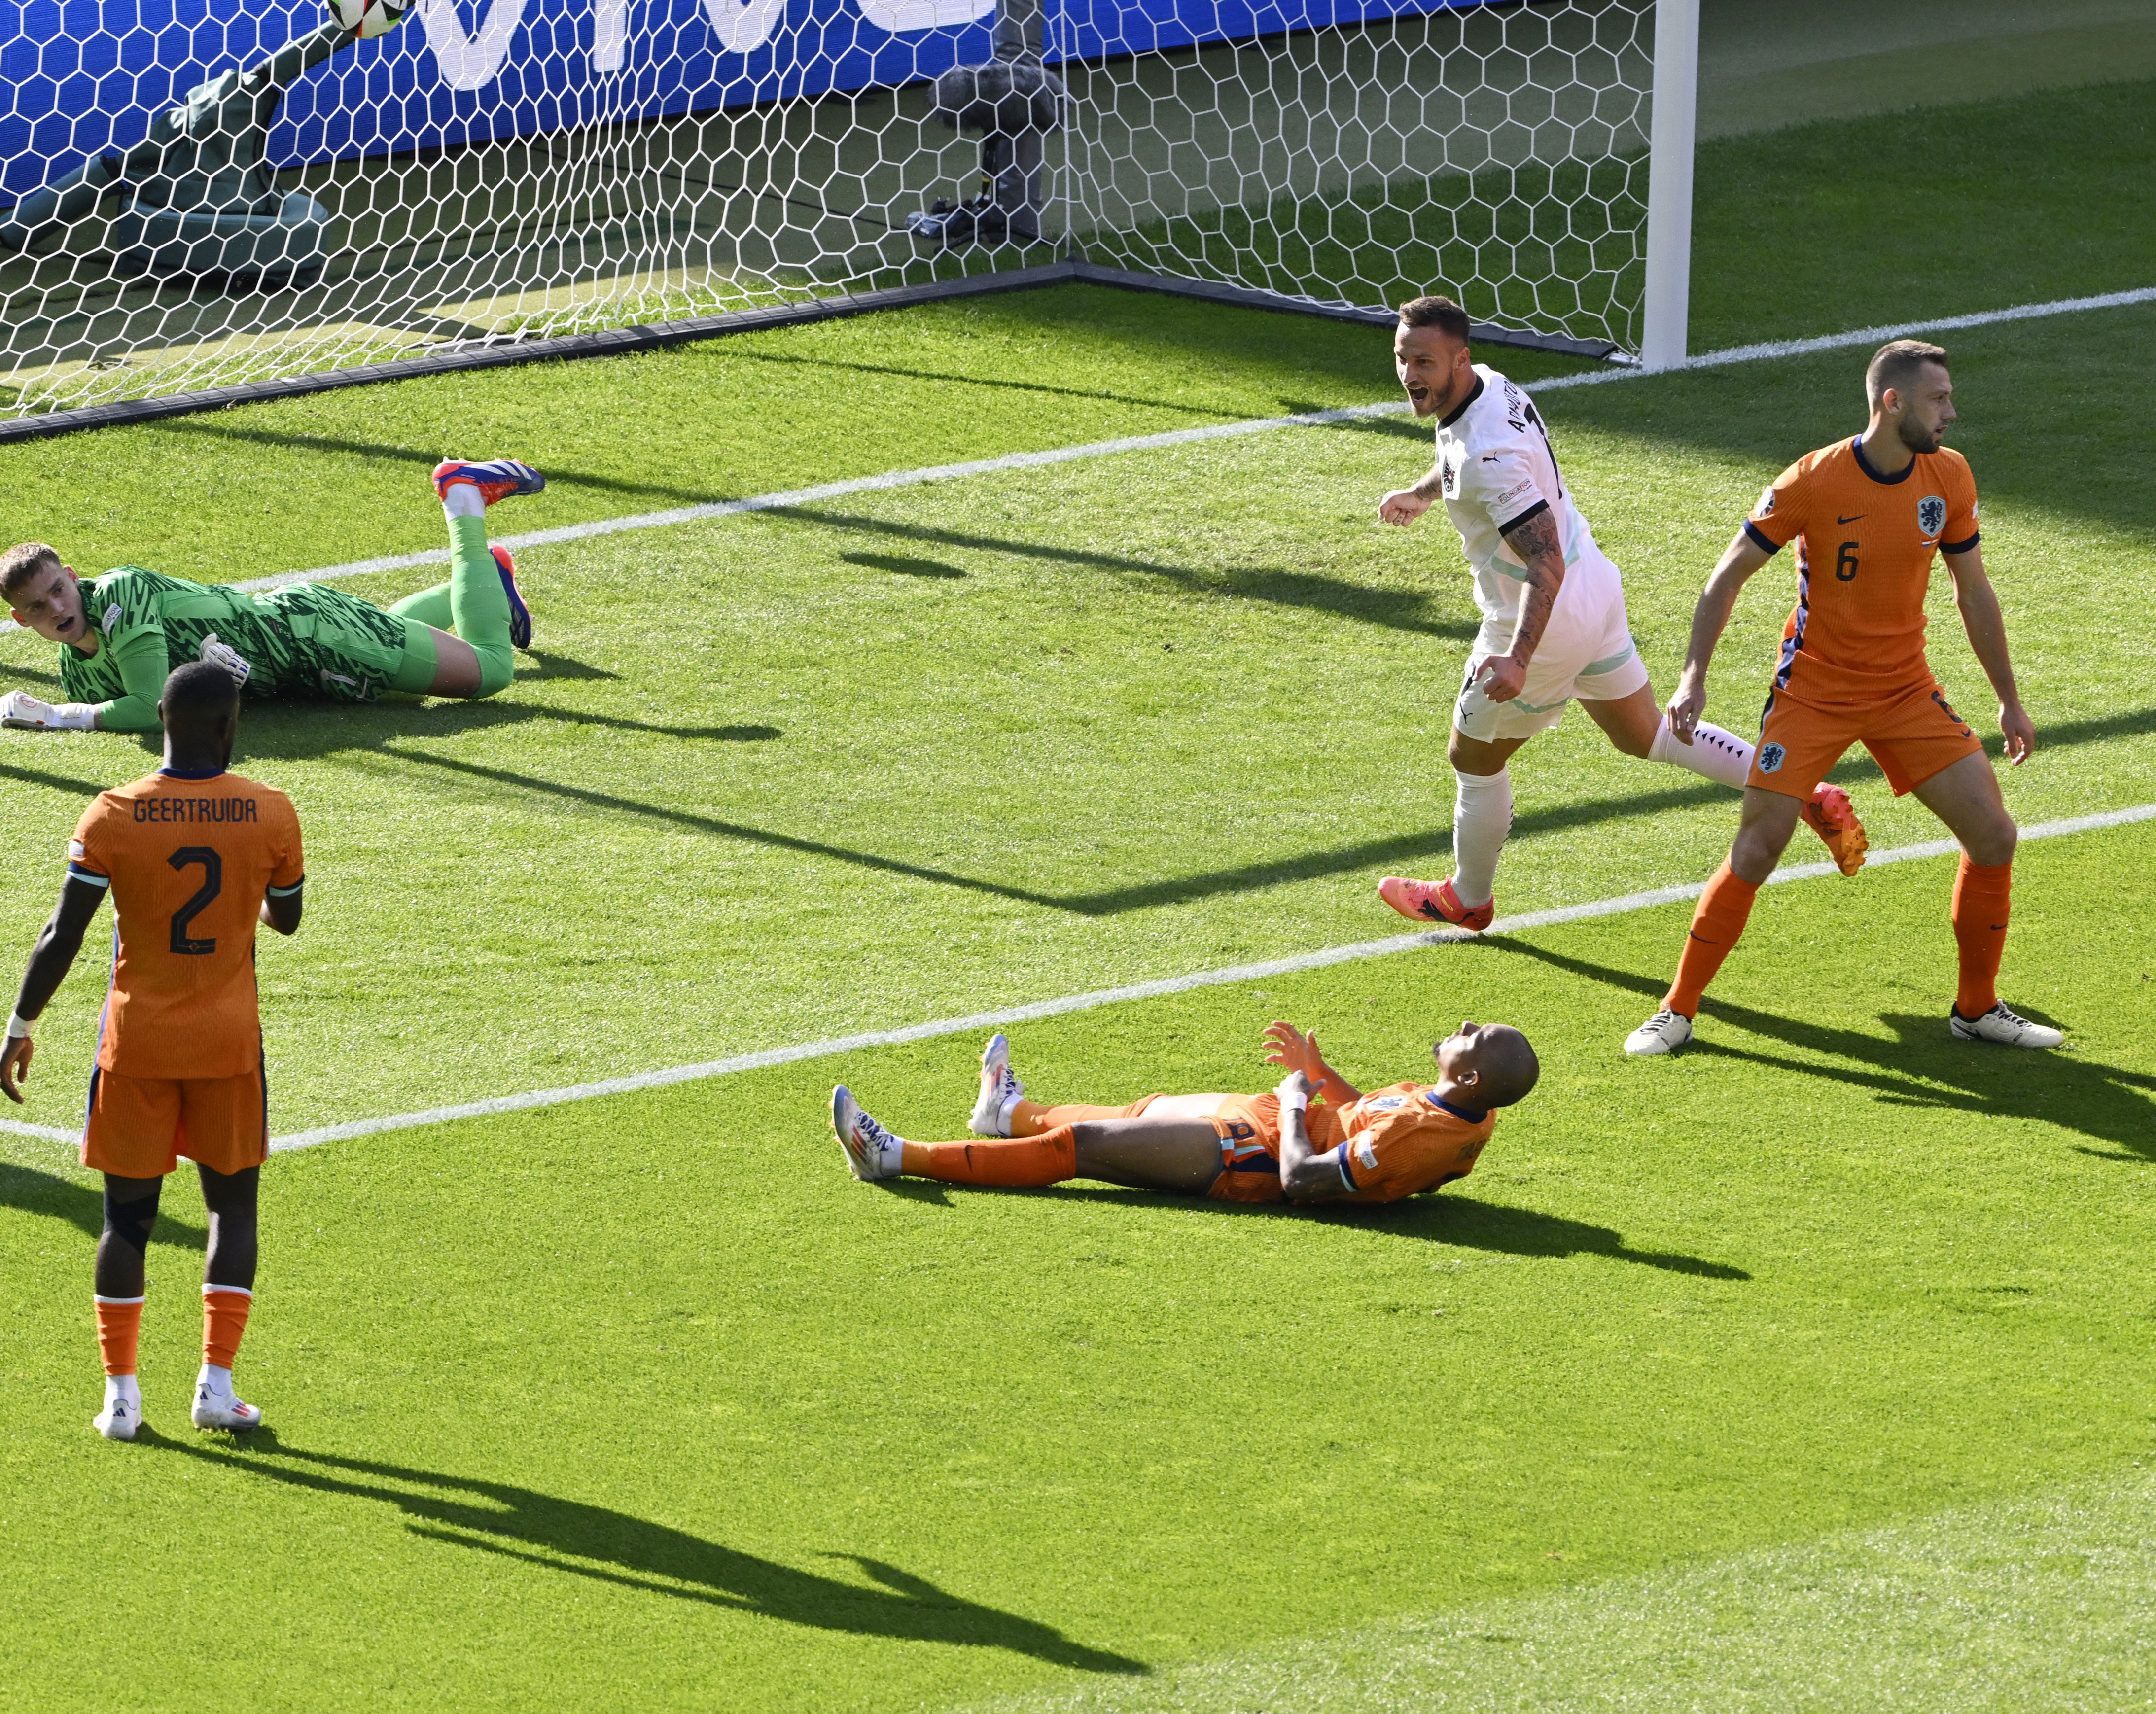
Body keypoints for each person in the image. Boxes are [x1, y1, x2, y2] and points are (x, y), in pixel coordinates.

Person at [1371, 295, 1865, 931]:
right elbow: (1460, 458)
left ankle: (1468, 897)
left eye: (1424, 363)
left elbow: (1541, 559)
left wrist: (1518, 659)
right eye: (1402, 358)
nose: (1410, 374)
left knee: (1473, 758)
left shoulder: (1486, 458)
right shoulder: (1488, 385)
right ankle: (1800, 789)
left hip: (1542, 618)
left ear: (1459, 359)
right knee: (1644, 735)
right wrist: (1421, 493)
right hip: (1594, 586)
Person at [1626, 339, 2054, 1055]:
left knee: (1993, 836)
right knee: (1758, 848)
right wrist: (1691, 677)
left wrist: (2008, 700)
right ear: (1892, 402)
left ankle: (1977, 1009)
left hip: (1904, 690)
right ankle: (1676, 1009)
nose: (1951, 412)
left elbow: (1973, 591)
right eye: (1938, 399)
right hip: (1813, 691)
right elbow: (1725, 577)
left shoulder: (1948, 475)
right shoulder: (1811, 480)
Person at [0, 655, 307, 1439]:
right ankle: (216, 1387)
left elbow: (62, 934)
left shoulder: (111, 813)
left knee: (126, 1222)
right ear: (231, 726)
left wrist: (21, 1025)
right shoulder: (271, 811)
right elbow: (287, 917)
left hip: (134, 1047)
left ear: (161, 720)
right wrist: (245, 904)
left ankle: (121, 1400)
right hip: (228, 1048)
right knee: (231, 1212)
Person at [0, 459, 544, 734]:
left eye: (58, 590)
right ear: (21, 619)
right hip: (304, 668)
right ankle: (486, 580)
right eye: (38, 606)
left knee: (491, 673)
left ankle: (463, 499)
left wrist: (58, 717)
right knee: (394, 636)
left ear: (72, 576)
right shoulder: (79, 673)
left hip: (314, 635)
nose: (57, 609)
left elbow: (150, 707)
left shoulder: (120, 594)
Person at [831, 1021, 1534, 1206]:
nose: (1463, 1025)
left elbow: (1304, 1180)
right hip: (1266, 1121)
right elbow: (1363, 1119)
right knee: (1136, 1111)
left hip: (1255, 1157)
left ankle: (893, 1156)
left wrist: (1296, 1103)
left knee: (1083, 1144)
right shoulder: (1468, 1109)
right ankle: (1006, 1112)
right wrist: (1320, 1077)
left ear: (1470, 1075)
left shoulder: (1419, 1135)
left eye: (1472, 1036)